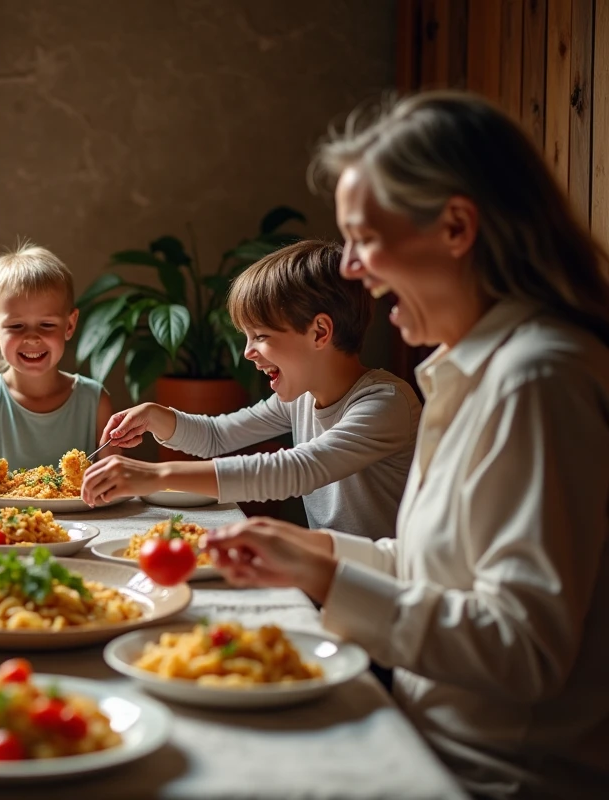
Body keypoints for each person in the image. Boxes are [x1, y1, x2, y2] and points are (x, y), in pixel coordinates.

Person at [204, 92, 609, 798]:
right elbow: (439, 569)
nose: (353, 267)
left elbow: (525, 647)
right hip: (424, 738)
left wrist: (329, 581)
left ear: (456, 226)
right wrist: (318, 554)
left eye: (364, 238)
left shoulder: (538, 380)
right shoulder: (472, 370)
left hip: (493, 777)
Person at [82, 240, 421, 541]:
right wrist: (156, 417)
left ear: (319, 332)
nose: (247, 352)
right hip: (329, 575)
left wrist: (156, 476)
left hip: (382, 591)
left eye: (260, 336)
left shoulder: (385, 404)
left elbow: (295, 470)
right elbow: (217, 436)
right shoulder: (301, 399)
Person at [0, 242, 116, 476]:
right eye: (16, 326)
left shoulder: (95, 401)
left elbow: (115, 473)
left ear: (69, 325)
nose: (32, 337)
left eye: (47, 324)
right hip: (3, 513)